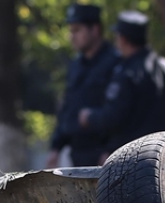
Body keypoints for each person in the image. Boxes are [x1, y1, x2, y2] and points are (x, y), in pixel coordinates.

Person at [78, 10, 165, 161]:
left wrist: (89, 117)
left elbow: (113, 117)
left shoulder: (128, 73)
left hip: (130, 158)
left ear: (123, 39)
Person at [46, 3, 121, 167]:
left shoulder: (116, 63)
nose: (72, 36)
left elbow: (121, 113)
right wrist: (56, 147)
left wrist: (112, 150)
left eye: (77, 30)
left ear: (94, 29)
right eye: (71, 30)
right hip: (78, 154)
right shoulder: (76, 65)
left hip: (106, 155)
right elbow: (68, 107)